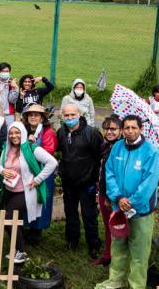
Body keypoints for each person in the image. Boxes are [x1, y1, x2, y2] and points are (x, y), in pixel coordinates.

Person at [95, 115, 159, 289]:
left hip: (141, 210)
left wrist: (131, 202)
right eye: (127, 128)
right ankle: (116, 280)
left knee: (139, 251)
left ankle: (136, 284)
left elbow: (149, 182)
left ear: (140, 129)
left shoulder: (151, 152)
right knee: (119, 246)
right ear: (122, 130)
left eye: (133, 127)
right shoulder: (117, 147)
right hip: (119, 207)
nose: (130, 131)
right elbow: (109, 173)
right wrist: (117, 197)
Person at [0, 122, 59, 264]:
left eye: (17, 132)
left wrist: (38, 179)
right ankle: (17, 247)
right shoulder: (7, 148)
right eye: (11, 133)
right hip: (9, 190)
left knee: (8, 218)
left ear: (23, 133)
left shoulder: (31, 148)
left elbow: (52, 162)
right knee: (13, 221)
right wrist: (3, 171)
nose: (14, 136)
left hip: (26, 192)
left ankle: (21, 252)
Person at [57, 103, 104, 259]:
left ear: (79, 115)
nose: (69, 118)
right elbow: (60, 152)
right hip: (68, 182)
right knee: (70, 212)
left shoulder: (91, 133)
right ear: (62, 116)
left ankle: (93, 244)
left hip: (87, 182)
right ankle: (72, 240)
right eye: (66, 115)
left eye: (72, 115)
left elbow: (99, 156)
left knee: (89, 214)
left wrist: (94, 178)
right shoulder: (61, 132)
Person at [21, 104, 59, 242]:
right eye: (30, 115)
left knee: (40, 200)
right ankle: (26, 226)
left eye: (36, 115)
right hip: (26, 171)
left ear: (42, 117)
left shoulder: (48, 132)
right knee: (27, 199)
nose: (33, 117)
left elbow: (50, 151)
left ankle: (36, 230)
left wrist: (34, 145)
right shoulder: (23, 130)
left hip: (42, 171)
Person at [94, 115, 123, 267]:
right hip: (103, 192)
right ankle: (108, 254)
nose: (109, 132)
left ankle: (115, 257)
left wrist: (109, 197)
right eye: (107, 129)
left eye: (113, 129)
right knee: (107, 224)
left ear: (121, 130)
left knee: (115, 225)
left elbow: (116, 176)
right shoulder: (106, 146)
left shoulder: (121, 149)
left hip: (113, 196)